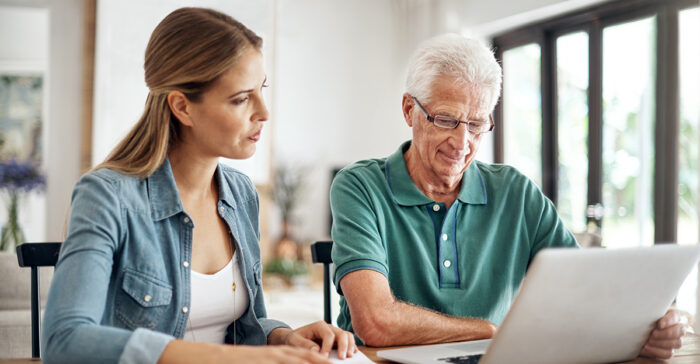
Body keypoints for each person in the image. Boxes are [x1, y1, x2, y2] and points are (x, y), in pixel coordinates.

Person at [329, 33, 684, 359]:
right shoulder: (359, 187)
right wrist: (487, 331)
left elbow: (584, 296)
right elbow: (376, 322)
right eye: (447, 120)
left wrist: (640, 331)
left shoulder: (515, 192)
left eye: (477, 123)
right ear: (409, 110)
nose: (462, 143)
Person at [42, 7, 356, 364]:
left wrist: (282, 336)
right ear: (183, 107)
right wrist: (228, 358)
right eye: (240, 99)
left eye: (261, 90)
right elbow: (65, 340)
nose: (264, 111)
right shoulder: (106, 196)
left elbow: (243, 328)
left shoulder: (241, 194)